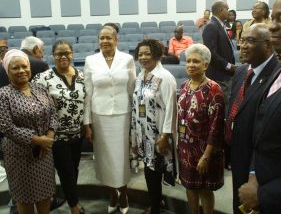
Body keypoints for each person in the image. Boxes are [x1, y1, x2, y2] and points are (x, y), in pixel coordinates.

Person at [238, 0, 281, 213]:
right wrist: (254, 175)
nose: (272, 26)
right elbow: (263, 133)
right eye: (272, 18)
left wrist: (263, 195)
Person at [225, 23, 280, 214]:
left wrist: (254, 170)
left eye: (250, 41)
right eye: (242, 40)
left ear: (268, 45)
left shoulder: (279, 74)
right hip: (237, 152)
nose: (244, 45)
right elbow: (234, 108)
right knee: (238, 206)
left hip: (258, 163)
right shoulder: (241, 71)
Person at [84, 26, 136, 214]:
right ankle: (112, 195)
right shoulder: (91, 61)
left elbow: (132, 89)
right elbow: (88, 93)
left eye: (108, 38)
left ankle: (122, 194)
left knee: (121, 158)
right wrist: (87, 122)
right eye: (101, 38)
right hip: (100, 116)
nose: (105, 41)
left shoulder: (127, 59)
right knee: (105, 159)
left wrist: (135, 118)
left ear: (116, 40)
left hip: (122, 114)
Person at [0, 49, 58, 214]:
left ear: (30, 68)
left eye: (24, 66)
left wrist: (49, 137)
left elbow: (53, 114)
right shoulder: (3, 95)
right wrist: (37, 140)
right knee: (25, 198)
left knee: (45, 195)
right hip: (20, 158)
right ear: (7, 71)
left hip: (44, 155)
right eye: (15, 68)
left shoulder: (40, 89)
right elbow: (6, 126)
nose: (21, 71)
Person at [32, 40, 86, 214]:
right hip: (56, 136)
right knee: (66, 170)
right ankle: (74, 206)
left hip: (77, 133)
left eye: (67, 53)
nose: (63, 56)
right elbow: (37, 108)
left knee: (74, 169)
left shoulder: (82, 76)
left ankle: (71, 197)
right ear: (53, 56)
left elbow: (86, 102)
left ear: (72, 54)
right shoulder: (42, 78)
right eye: (59, 54)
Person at [131, 38, 177, 214]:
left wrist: (165, 136)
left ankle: (155, 207)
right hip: (143, 133)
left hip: (158, 135)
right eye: (140, 54)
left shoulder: (165, 77)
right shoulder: (140, 75)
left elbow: (171, 109)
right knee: (151, 171)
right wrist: (135, 136)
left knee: (153, 172)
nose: (143, 57)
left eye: (147, 53)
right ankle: (157, 202)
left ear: (157, 55)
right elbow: (136, 105)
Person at [177, 44, 224, 214]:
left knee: (205, 189)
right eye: (188, 61)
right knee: (189, 187)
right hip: (185, 149)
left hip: (205, 151)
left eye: (196, 61)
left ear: (205, 65)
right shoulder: (183, 86)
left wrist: (206, 156)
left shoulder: (214, 90)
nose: (191, 64)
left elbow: (216, 127)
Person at [202, 0, 235, 104]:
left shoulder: (220, 25)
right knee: (221, 107)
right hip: (219, 76)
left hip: (224, 75)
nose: (229, 12)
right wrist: (229, 66)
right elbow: (211, 53)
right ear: (221, 10)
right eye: (227, 9)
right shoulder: (211, 26)